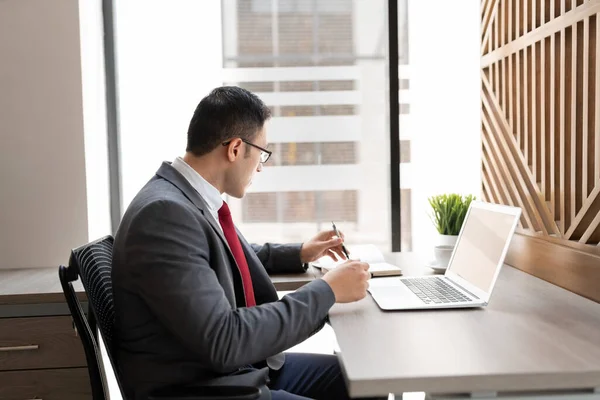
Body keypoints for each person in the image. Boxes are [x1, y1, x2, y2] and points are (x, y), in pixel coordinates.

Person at [112, 86, 374, 400]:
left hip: (230, 371)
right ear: (236, 149)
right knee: (362, 383)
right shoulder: (165, 216)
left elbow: (221, 256)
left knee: (366, 381)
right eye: (262, 154)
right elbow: (225, 340)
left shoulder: (185, 198)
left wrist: (300, 252)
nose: (261, 167)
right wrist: (328, 290)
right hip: (208, 389)